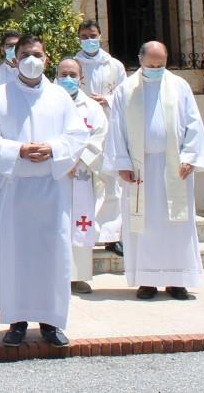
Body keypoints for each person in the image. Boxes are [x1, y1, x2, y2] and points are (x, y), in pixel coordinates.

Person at [0, 35, 88, 348]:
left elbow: (77, 135)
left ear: (47, 58)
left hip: (50, 190)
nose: (31, 59)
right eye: (25, 54)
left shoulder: (59, 97)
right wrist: (19, 149)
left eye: (37, 54)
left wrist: (53, 148)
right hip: (12, 190)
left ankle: (51, 322)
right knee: (14, 256)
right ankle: (16, 321)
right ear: (15, 58)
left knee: (51, 255)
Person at [107, 41, 204, 301]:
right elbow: (116, 128)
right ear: (140, 60)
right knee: (144, 226)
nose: (155, 69)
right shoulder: (126, 90)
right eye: (151, 65)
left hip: (174, 167)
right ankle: (147, 281)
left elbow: (193, 123)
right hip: (140, 169)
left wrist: (189, 156)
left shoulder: (179, 86)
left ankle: (177, 281)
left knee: (176, 224)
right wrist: (122, 163)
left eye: (160, 65)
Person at [55, 58, 109, 295]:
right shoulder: (50, 104)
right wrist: (61, 159)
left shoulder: (93, 109)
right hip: (54, 174)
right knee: (55, 224)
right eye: (63, 74)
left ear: (81, 78)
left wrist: (77, 161)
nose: (67, 78)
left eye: (72, 74)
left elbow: (99, 137)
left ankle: (78, 276)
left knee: (80, 222)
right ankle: (54, 275)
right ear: (56, 76)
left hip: (81, 175)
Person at [75, 19, 128, 254]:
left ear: (100, 36)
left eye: (92, 35)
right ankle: (82, 233)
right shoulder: (73, 64)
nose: (89, 40)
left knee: (110, 182)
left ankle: (111, 235)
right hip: (81, 132)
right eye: (84, 36)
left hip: (108, 129)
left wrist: (106, 100)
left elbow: (126, 94)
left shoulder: (114, 65)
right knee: (83, 184)